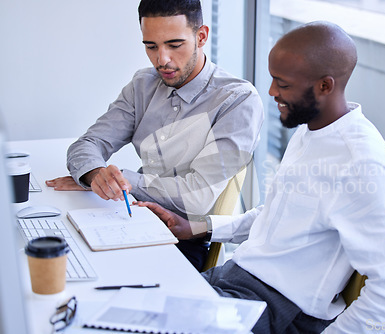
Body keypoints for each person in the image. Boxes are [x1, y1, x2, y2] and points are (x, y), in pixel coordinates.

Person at [136, 21, 385, 333]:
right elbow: (276, 217)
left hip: (279, 309)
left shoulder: (361, 164)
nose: (271, 92)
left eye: (283, 84)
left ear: (325, 86)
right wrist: (196, 228)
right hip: (236, 279)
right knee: (127, 303)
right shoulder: (312, 129)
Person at [45, 0, 264, 271]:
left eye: (174, 45)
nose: (162, 60)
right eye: (151, 46)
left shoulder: (237, 100)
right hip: (129, 215)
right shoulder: (143, 84)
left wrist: (123, 180)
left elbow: (197, 196)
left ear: (202, 36)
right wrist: (95, 174)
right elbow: (89, 144)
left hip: (180, 237)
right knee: (58, 255)